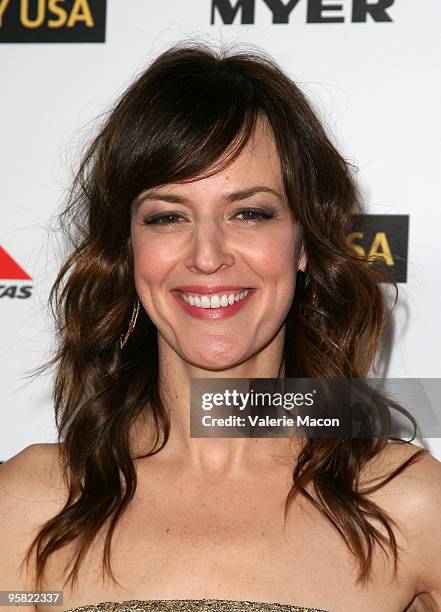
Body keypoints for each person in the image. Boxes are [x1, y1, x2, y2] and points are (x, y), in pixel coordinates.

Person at [0, 41, 440, 612]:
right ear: (128, 249)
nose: (207, 255)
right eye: (167, 216)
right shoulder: (33, 509)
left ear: (304, 242)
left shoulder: (408, 507)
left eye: (249, 213)